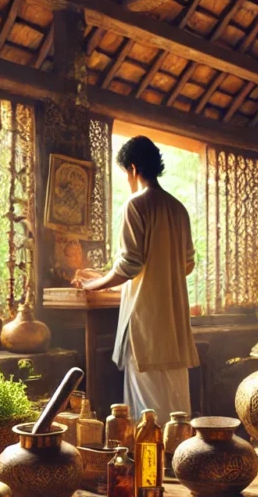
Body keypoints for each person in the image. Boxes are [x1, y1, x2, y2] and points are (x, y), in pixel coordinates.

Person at [72, 136, 199, 419]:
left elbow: (130, 265)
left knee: (147, 412)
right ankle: (180, 459)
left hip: (146, 323)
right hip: (174, 324)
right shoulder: (178, 209)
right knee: (176, 405)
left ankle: (151, 461)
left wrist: (93, 284)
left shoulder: (135, 205)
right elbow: (186, 265)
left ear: (132, 168)